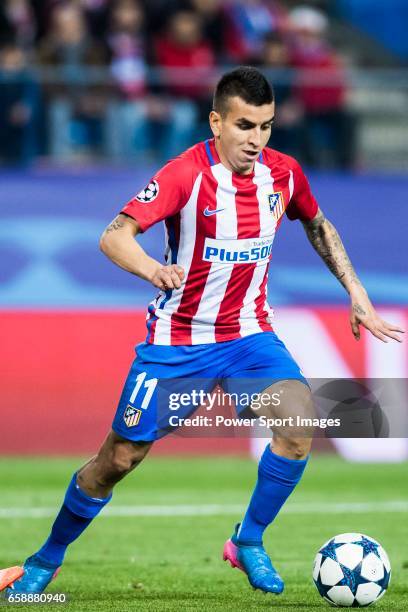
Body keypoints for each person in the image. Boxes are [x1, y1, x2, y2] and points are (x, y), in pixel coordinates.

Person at [0, 66, 403, 597]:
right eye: (244, 126)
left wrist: (356, 292)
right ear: (216, 121)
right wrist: (152, 270)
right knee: (117, 460)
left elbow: (317, 223)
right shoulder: (185, 174)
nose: (256, 140)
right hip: (179, 341)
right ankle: (44, 561)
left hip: (249, 337)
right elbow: (114, 236)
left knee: (299, 421)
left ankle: (248, 541)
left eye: (266, 126)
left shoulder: (283, 174)